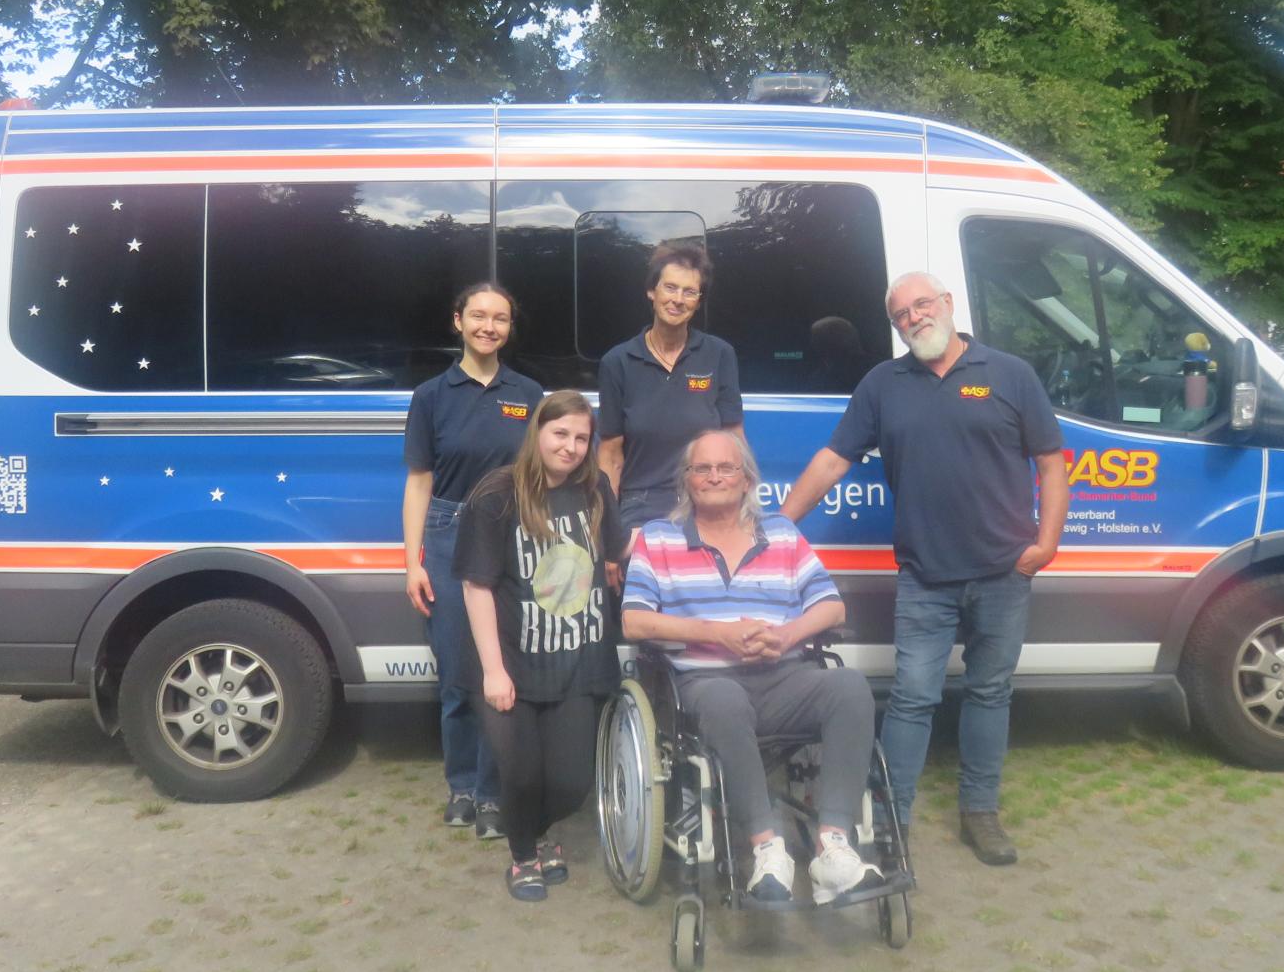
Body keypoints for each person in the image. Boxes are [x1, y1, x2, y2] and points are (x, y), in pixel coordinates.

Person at [781, 272, 1069, 867]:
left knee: (990, 693)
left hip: (1004, 572)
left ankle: (980, 813)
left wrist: (1046, 543)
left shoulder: (1010, 374)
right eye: (901, 314)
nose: (914, 317)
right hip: (924, 576)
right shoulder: (883, 385)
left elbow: (1051, 463)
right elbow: (833, 461)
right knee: (912, 698)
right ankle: (894, 820)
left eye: (922, 305)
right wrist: (777, 527)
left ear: (948, 304)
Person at [621, 430, 882, 906]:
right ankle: (766, 849)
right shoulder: (658, 538)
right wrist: (717, 634)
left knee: (849, 687)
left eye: (726, 468)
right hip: (705, 683)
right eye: (702, 469)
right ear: (686, 480)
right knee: (724, 700)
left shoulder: (781, 533)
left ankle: (832, 848)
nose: (714, 477)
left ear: (746, 480)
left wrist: (786, 635)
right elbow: (634, 621)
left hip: (784, 677)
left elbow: (832, 607)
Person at [457, 391, 630, 901]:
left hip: (578, 661)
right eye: (560, 434)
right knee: (522, 775)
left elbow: (622, 549)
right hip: (510, 662)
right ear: (537, 432)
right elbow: (476, 586)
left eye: (581, 437)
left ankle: (537, 832)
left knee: (573, 783)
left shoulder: (595, 489)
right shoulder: (497, 495)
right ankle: (524, 855)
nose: (571, 447)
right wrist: (494, 670)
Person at [402, 284, 544, 840]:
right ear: (457, 321)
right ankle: (461, 786)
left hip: (510, 532)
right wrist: (413, 562)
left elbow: (540, 475)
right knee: (458, 674)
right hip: (447, 533)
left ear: (510, 328)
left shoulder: (528, 393)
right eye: (479, 316)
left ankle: (492, 793)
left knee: (501, 668)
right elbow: (419, 483)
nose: (489, 327)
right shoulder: (431, 396)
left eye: (500, 318)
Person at [597, 240, 744, 529]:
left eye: (689, 292)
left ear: (698, 301)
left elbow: (734, 438)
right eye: (670, 287)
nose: (678, 299)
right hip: (640, 505)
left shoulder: (719, 354)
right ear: (651, 291)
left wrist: (742, 506)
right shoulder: (617, 362)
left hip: (706, 499)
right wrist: (609, 527)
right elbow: (611, 454)